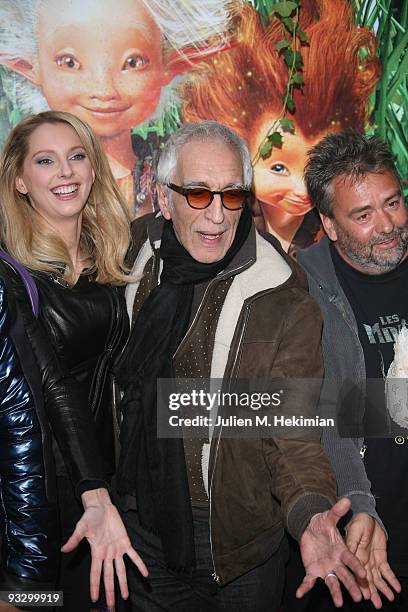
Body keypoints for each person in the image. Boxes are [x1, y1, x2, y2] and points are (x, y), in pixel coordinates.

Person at [114, 120, 367, 611]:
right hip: (140, 526)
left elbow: (290, 428)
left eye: (231, 196)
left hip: (237, 547)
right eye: (197, 194)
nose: (216, 215)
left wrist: (311, 513)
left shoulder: (281, 296)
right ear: (164, 200)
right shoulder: (132, 256)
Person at [0, 110, 148, 610]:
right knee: (41, 603)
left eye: (76, 156)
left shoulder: (110, 253)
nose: (65, 172)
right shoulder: (10, 274)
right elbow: (54, 382)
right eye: (45, 161)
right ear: (20, 180)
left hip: (106, 485)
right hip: (47, 491)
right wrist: (93, 490)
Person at [297, 131, 406, 610]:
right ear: (330, 224)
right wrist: (359, 503)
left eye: (394, 203)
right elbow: (311, 410)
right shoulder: (299, 288)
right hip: (354, 529)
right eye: (363, 215)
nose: (388, 225)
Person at [181, 0, 380, 256]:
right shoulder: (221, 224)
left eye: (318, 165)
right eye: (278, 168)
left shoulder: (345, 231)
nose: (301, 188)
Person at [0, 0, 233, 217]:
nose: (104, 90)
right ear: (31, 65)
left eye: (133, 63)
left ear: (168, 64)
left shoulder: (169, 182)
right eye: (69, 62)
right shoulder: (26, 188)